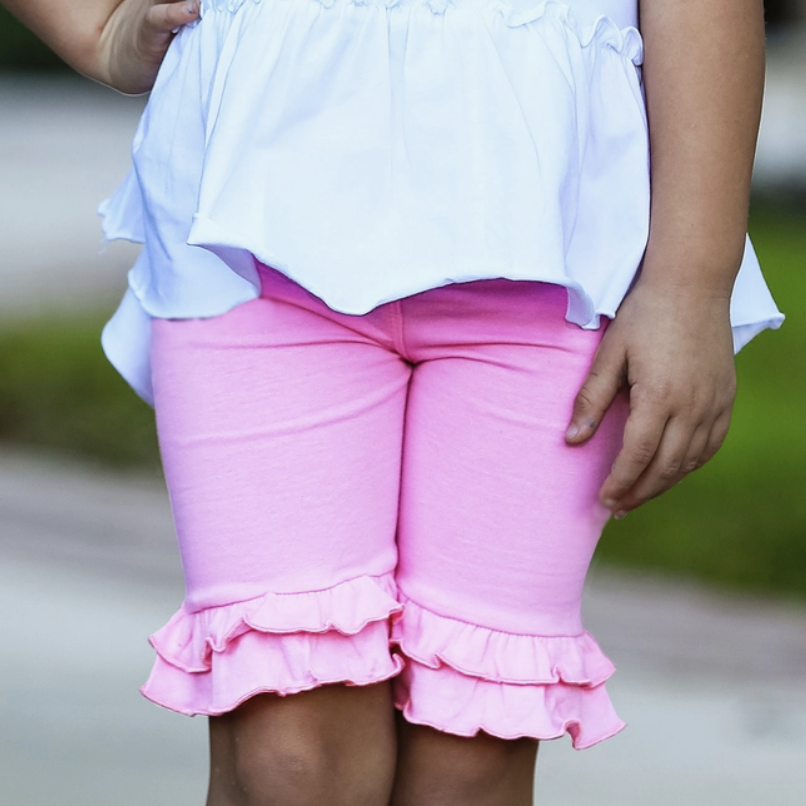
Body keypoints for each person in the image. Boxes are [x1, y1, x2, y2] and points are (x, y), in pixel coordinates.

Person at [3, 1, 784, 804]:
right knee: (289, 759)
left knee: (469, 755)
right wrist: (96, 27)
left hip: (552, 253)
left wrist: (692, 283)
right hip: (253, 237)